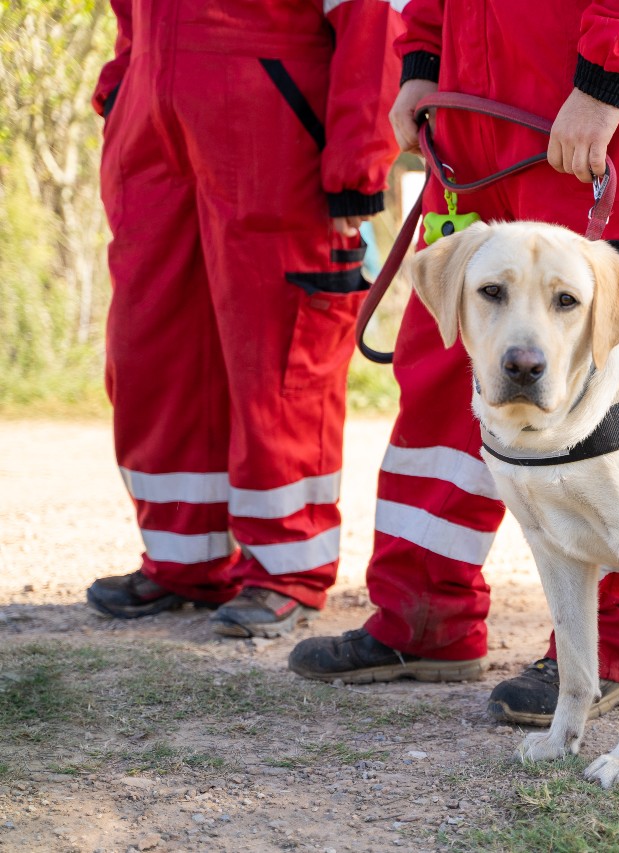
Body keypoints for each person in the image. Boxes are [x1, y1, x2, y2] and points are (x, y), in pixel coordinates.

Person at [288, 0, 619, 726]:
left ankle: (608, 653)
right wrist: (421, 61)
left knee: (615, 389)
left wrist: (603, 84)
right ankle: (424, 615)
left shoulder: (602, 90)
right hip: (470, 119)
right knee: (439, 366)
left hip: (600, 108)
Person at [85, 0, 402, 638]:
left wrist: (359, 157)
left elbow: (371, 16)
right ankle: (184, 557)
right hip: (152, 126)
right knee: (152, 347)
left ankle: (287, 567)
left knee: (277, 355)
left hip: (275, 122)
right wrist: (122, 90)